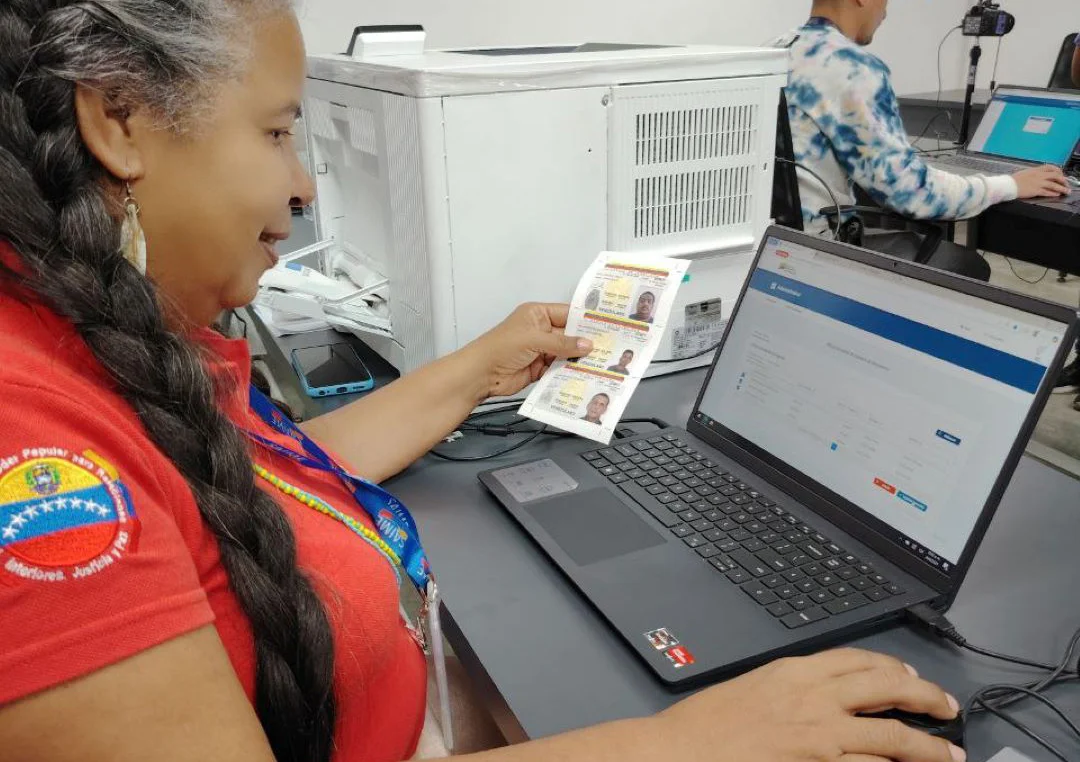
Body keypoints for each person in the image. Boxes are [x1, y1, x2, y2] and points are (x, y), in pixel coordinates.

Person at [0, 2, 967, 762]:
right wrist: (690, 742)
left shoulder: (103, 333)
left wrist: (478, 366)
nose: (303, 186)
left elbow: (268, 479)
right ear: (119, 119)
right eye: (277, 133)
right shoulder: (32, 452)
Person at [779, 0, 1071, 236]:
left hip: (775, 238)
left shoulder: (777, 49)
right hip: (820, 247)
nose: (885, 12)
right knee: (965, 265)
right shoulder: (853, 68)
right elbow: (913, 193)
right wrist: (1011, 185)